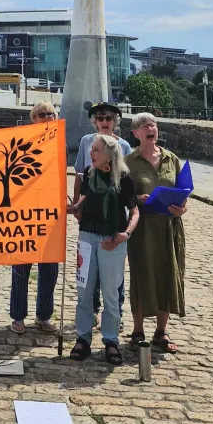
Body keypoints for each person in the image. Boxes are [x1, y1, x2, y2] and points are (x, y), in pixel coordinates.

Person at [68, 134, 138, 365]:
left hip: (113, 240)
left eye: (95, 150)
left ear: (108, 154)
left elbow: (134, 211)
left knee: (110, 293)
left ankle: (110, 340)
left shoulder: (124, 177)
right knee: (84, 291)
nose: (91, 153)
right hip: (88, 236)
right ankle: (83, 338)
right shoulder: (90, 172)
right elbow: (87, 196)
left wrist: (125, 234)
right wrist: (76, 206)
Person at [125, 112, 187, 353]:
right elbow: (122, 194)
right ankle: (137, 330)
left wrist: (182, 209)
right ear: (136, 133)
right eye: (144, 125)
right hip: (143, 228)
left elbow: (184, 191)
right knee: (141, 276)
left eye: (153, 124)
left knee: (168, 275)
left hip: (168, 227)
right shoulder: (129, 161)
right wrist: (137, 199)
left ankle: (161, 331)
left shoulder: (172, 159)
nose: (150, 127)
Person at [73, 103, 132, 326]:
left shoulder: (123, 145)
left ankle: (116, 311)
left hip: (115, 215)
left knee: (114, 271)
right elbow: (80, 175)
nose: (105, 121)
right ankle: (93, 311)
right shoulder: (87, 142)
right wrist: (77, 205)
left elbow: (126, 180)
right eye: (100, 118)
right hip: (90, 214)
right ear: (95, 121)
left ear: (114, 120)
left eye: (108, 118)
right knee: (89, 270)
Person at [9, 101, 60, 335]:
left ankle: (44, 315)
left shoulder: (59, 141)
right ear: (33, 118)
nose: (46, 117)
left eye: (50, 114)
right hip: (24, 213)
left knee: (49, 268)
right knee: (21, 267)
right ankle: (18, 316)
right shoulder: (23, 141)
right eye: (41, 114)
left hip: (50, 213)